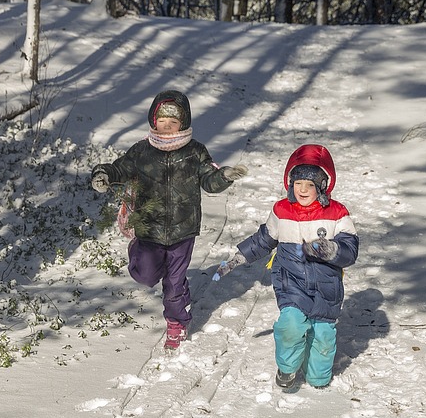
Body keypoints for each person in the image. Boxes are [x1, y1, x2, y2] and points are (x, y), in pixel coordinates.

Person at [91, 90, 247, 349]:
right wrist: (103, 174)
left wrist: (225, 176)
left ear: (182, 124)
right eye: (161, 121)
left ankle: (177, 323)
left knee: (174, 282)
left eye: (172, 122)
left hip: (182, 229)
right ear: (154, 121)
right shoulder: (142, 150)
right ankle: (140, 255)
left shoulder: (195, 151)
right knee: (145, 274)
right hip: (148, 226)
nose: (166, 127)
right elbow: (121, 168)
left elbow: (209, 179)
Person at [213, 143, 358, 389]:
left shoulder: (336, 213)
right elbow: (264, 239)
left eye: (309, 185)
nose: (302, 189)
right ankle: (288, 368)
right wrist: (239, 257)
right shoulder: (282, 210)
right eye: (298, 183)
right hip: (291, 283)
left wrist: (332, 249)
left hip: (327, 287)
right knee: (290, 325)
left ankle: (318, 378)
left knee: (322, 337)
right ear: (290, 183)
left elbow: (350, 249)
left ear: (322, 186)